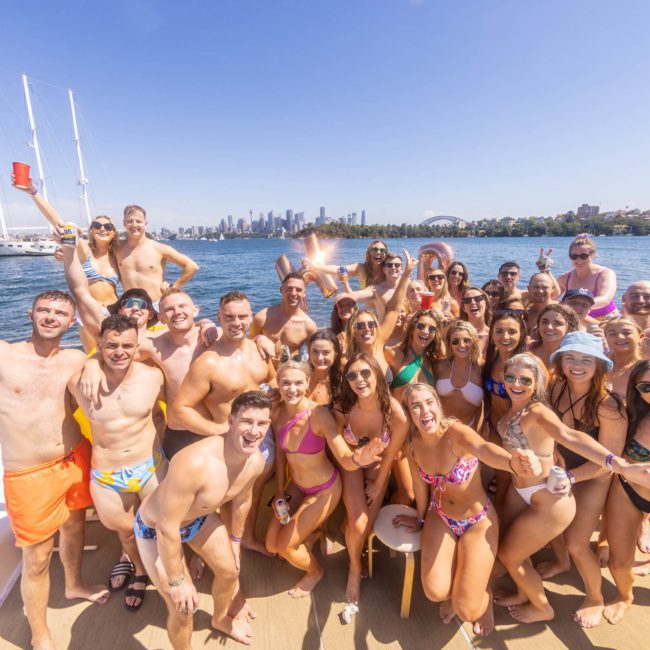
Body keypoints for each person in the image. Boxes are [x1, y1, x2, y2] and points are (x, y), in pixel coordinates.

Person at [0, 290, 109, 649]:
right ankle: (40, 634)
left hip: (75, 457)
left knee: (75, 527)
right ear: (30, 314)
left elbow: (98, 359)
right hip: (28, 474)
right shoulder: (5, 355)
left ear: (71, 321)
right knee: (38, 557)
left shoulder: (75, 358)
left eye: (59, 313)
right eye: (44, 310)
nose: (50, 317)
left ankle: (74, 583)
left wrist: (93, 362)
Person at [493, 353, 635, 624]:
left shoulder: (537, 411)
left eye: (525, 379)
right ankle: (525, 592)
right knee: (507, 549)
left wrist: (614, 462)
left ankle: (541, 606)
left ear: (537, 384)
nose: (516, 384)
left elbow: (569, 435)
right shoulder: (512, 405)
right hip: (520, 489)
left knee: (509, 557)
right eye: (510, 377)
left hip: (548, 501)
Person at [395, 383, 541, 637]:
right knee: (435, 592)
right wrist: (420, 519)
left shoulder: (456, 434)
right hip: (439, 516)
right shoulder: (412, 446)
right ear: (409, 414)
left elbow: (485, 451)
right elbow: (420, 488)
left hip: (477, 521)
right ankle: (465, 584)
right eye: (415, 406)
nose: (424, 411)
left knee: (468, 610)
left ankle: (483, 594)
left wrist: (511, 463)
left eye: (429, 402)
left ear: (438, 406)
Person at [134, 391, 273, 648]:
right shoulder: (195, 463)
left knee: (230, 572)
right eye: (247, 422)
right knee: (184, 608)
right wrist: (177, 582)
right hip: (157, 530)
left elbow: (242, 500)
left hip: (198, 520)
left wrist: (235, 540)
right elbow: (167, 528)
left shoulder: (255, 461)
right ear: (231, 422)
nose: (254, 431)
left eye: (262, 423)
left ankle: (220, 620)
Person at [67, 314, 167, 611]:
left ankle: (169, 569)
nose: (120, 352)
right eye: (111, 346)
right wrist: (90, 363)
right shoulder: (78, 383)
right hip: (107, 472)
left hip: (150, 465)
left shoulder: (153, 376)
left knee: (161, 524)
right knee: (124, 529)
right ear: (99, 345)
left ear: (138, 346)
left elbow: (174, 410)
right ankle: (140, 569)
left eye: (127, 345)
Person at [171, 290, 276, 557]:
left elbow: (273, 380)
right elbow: (181, 408)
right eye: (229, 317)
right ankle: (205, 553)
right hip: (228, 443)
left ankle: (245, 538)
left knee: (252, 490)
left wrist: (274, 392)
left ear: (252, 317)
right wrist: (217, 430)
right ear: (219, 317)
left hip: (263, 438)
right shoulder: (208, 362)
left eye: (242, 316)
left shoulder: (258, 349)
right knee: (218, 500)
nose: (236, 323)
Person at [265, 361, 383, 597]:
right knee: (270, 545)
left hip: (324, 490)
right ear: (278, 385)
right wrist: (279, 492)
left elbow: (344, 457)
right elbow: (280, 456)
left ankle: (315, 572)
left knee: (285, 547)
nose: (292, 389)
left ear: (307, 384)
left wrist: (358, 459)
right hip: (296, 486)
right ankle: (316, 534)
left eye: (299, 383)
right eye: (285, 383)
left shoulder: (318, 415)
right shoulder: (277, 414)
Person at [539, 333, 627, 628]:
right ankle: (561, 562)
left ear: (598, 365)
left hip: (594, 477)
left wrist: (572, 476)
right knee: (550, 523)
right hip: (563, 468)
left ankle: (595, 596)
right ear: (561, 363)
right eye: (570, 358)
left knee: (578, 543)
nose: (577, 365)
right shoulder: (557, 388)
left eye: (586, 359)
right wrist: (556, 457)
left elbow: (608, 462)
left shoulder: (608, 406)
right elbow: (553, 431)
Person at [333, 353, 410, 604]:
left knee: (361, 526)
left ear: (377, 375)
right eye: (352, 375)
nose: (359, 380)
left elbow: (390, 456)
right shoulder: (343, 408)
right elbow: (343, 451)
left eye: (365, 373)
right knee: (357, 526)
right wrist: (357, 459)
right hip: (352, 466)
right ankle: (354, 568)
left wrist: (378, 484)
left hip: (379, 467)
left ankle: (352, 537)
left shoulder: (396, 415)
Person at [14, 180, 121, 351]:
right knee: (94, 354)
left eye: (108, 226)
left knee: (114, 355)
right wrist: (33, 192)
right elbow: (59, 222)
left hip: (115, 312)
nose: (102, 228)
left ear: (114, 232)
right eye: (97, 225)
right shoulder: (84, 250)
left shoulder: (117, 257)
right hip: (88, 314)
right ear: (91, 230)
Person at [604, 360, 650, 624]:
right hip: (627, 493)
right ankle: (624, 596)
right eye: (646, 386)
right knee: (619, 563)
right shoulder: (630, 415)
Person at [346, 249, 418, 380]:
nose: (393, 268)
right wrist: (345, 289)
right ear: (384, 269)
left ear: (402, 268)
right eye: (389, 265)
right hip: (386, 340)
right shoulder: (377, 290)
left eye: (397, 265)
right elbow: (355, 296)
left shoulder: (412, 287)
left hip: (406, 338)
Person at [116, 205, 199, 305]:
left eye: (138, 221)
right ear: (124, 223)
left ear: (145, 224)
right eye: (130, 221)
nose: (134, 225)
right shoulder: (117, 248)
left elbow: (192, 266)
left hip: (156, 304)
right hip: (130, 305)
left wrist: (174, 287)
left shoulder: (159, 248)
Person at [251, 272, 318, 356]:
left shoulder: (309, 326)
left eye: (298, 290)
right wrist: (258, 338)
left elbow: (313, 356)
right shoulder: (262, 317)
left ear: (304, 293)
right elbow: (249, 344)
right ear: (281, 290)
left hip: (291, 367)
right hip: (266, 367)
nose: (293, 293)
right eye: (289, 289)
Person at [558, 233, 618, 321]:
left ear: (592, 255)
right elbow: (550, 296)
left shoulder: (605, 273)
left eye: (583, 256)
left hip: (605, 319)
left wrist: (574, 307)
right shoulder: (565, 278)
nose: (578, 260)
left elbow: (605, 299)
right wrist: (545, 271)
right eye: (574, 256)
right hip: (578, 320)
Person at [435, 321, 484, 426]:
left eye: (467, 340)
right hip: (439, 427)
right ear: (450, 344)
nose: (461, 345)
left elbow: (486, 407)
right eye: (455, 341)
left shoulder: (481, 370)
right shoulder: (440, 366)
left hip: (468, 431)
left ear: (474, 342)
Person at [387, 308, 442, 400]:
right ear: (412, 329)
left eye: (432, 329)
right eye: (421, 326)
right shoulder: (393, 354)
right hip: (399, 413)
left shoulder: (431, 359)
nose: (425, 331)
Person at [311, 239, 389, 288]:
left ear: (386, 254)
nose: (379, 252)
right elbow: (338, 269)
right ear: (369, 253)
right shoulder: (361, 269)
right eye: (375, 249)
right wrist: (315, 267)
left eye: (382, 250)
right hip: (369, 313)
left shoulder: (390, 271)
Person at [527, 304, 579, 369]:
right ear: (538, 325)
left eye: (558, 323)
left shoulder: (577, 357)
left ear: (569, 328)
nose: (549, 327)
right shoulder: (526, 348)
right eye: (545, 322)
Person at [605, 317, 645, 398]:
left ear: (641, 337)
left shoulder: (645, 371)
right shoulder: (597, 363)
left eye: (627, 333)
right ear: (606, 337)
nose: (620, 337)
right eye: (612, 334)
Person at [306, 329, 342, 405]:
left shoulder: (342, 381)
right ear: (309, 352)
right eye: (315, 352)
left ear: (335, 354)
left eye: (326, 352)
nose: (320, 358)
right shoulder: (299, 376)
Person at [459, 287, 492, 362]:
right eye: (467, 300)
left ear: (486, 303)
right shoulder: (455, 334)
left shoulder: (494, 336)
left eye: (478, 298)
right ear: (464, 308)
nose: (473, 302)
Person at [622, 281, 650, 359]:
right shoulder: (611, 328)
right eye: (634, 295)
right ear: (624, 299)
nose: (640, 300)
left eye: (647, 296)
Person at [330, 293, 357, 363]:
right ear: (336, 310)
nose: (345, 308)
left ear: (355, 308)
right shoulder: (330, 334)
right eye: (341, 306)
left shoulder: (362, 331)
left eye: (348, 305)